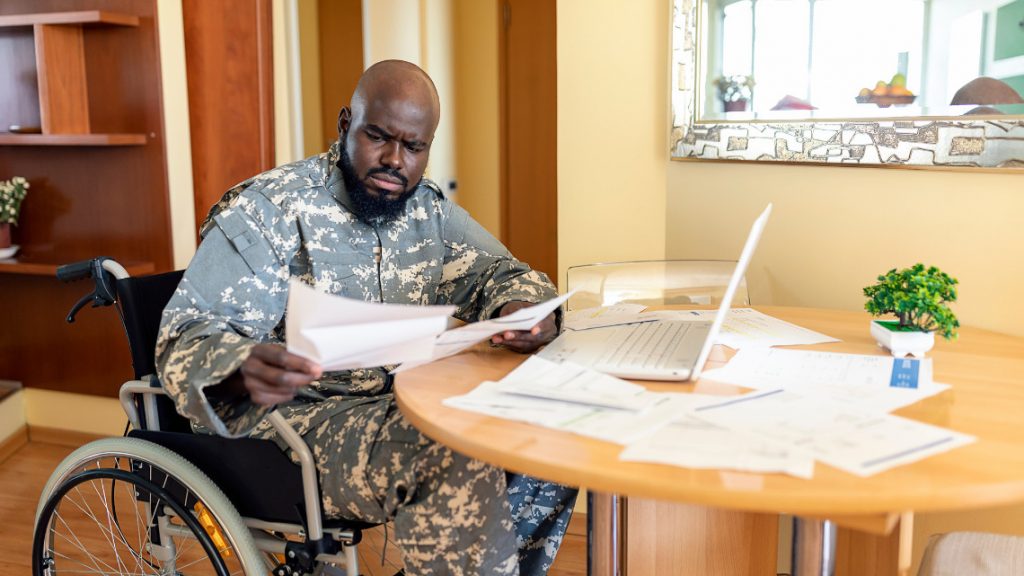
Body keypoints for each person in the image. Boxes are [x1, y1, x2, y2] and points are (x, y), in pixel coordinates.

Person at [156, 59, 577, 575]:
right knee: (447, 453)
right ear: (344, 125)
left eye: (414, 148)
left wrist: (522, 310)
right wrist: (240, 363)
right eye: (378, 137)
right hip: (292, 426)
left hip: (393, 404)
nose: (394, 161)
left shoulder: (426, 211)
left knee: (550, 432)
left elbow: (505, 273)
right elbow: (185, 335)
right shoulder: (270, 211)